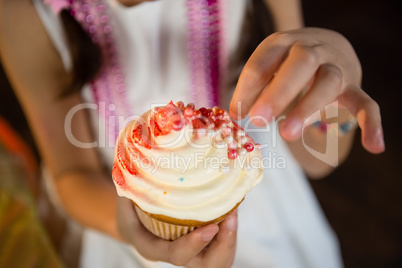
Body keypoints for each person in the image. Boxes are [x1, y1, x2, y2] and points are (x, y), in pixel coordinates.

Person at [0, 0, 385, 267]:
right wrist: (128, 229)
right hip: (115, 219)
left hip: (263, 207)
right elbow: (71, 174)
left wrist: (332, 90)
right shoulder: (21, 13)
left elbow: (321, 156)